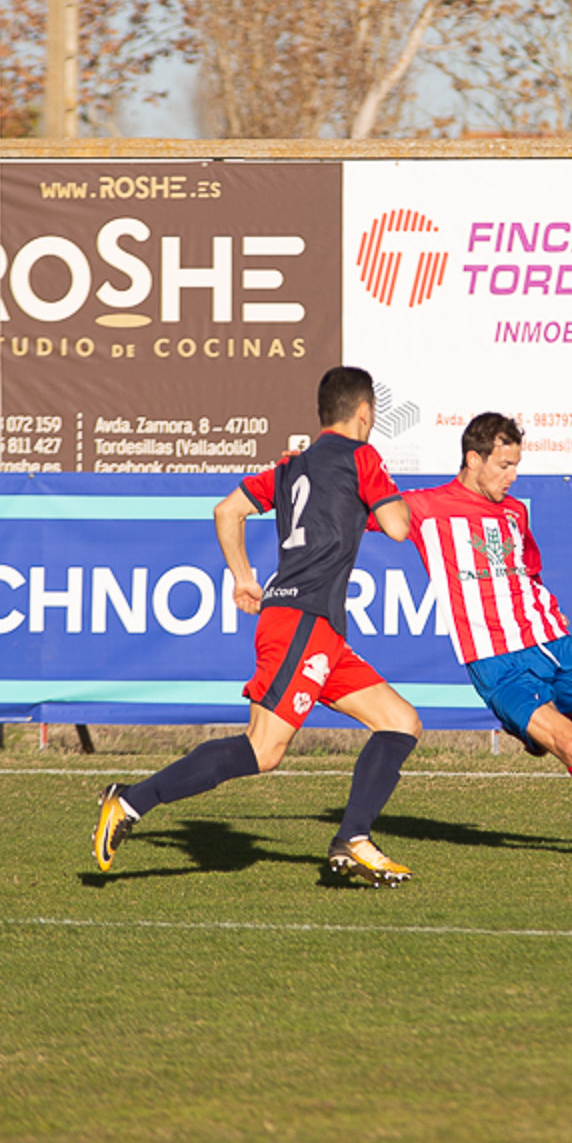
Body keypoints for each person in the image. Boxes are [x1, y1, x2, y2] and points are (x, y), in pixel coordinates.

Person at [93, 365, 424, 886]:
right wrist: (381, 496)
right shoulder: (363, 456)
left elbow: (228, 511)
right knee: (262, 750)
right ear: (365, 414)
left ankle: (353, 838)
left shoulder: (293, 466)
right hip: (302, 622)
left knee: (400, 721)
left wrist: (244, 579)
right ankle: (131, 802)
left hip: (318, 627)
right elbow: (398, 526)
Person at [400, 412, 572, 863]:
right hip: (496, 662)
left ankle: (537, 737)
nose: (512, 477)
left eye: (516, 466)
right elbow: (355, 509)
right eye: (503, 465)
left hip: (551, 642)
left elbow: (528, 569)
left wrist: (546, 605)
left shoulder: (513, 512)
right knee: (571, 745)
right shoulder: (424, 508)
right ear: (473, 460)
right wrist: (302, 474)